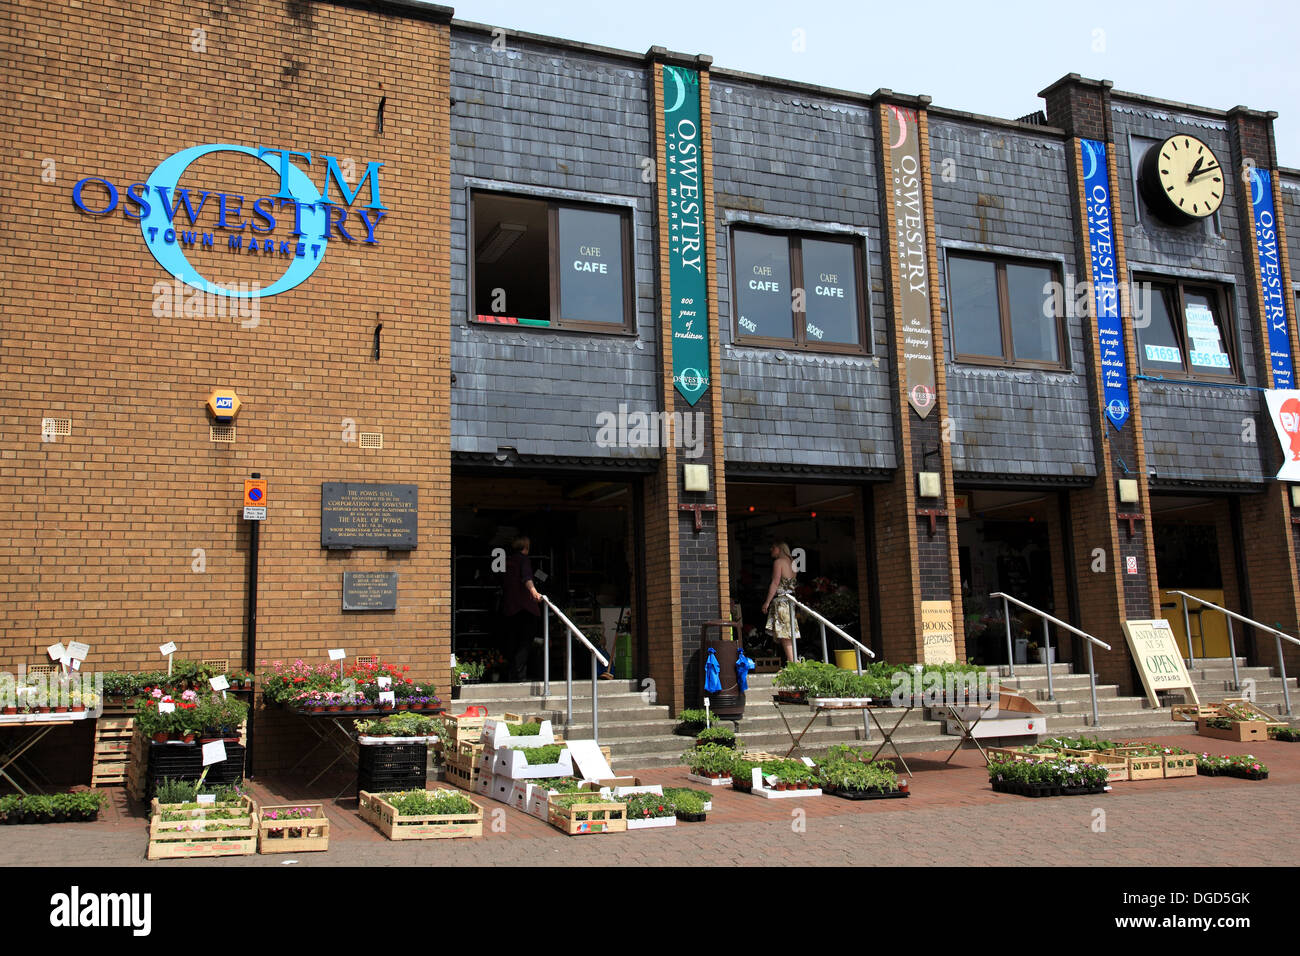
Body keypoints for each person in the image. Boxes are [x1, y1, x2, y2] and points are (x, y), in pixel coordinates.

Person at [502, 536, 542, 681]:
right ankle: (519, 675)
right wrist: (534, 592)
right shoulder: (524, 560)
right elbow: (527, 577)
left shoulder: (509, 560)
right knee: (525, 642)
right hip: (525, 608)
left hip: (510, 608)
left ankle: (512, 674)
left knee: (513, 642)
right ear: (526, 546)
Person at [761, 541, 800, 662]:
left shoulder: (778, 562)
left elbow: (775, 582)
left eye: (773, 547)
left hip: (782, 601)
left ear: (779, 548)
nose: (771, 550)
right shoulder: (793, 562)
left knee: (784, 633)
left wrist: (767, 602)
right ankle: (792, 660)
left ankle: (792, 661)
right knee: (789, 631)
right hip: (791, 600)